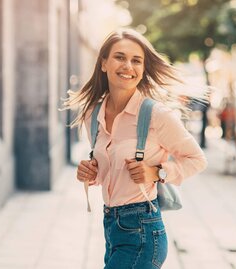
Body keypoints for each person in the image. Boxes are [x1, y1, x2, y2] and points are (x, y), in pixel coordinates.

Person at [63, 28, 207, 269]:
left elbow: (197, 159)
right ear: (104, 64)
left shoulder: (156, 115)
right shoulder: (93, 114)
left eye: (136, 60)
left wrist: (158, 172)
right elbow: (108, 170)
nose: (128, 66)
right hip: (111, 226)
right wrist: (90, 173)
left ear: (142, 69)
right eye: (120, 57)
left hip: (142, 231)